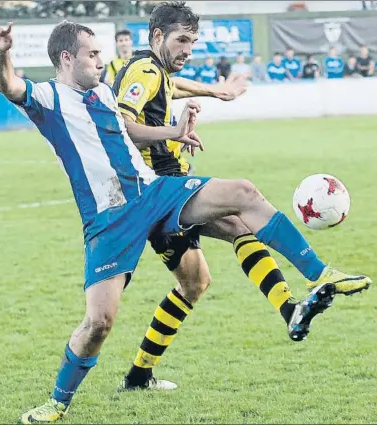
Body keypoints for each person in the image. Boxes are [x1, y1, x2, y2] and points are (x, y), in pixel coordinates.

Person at [0, 18, 371, 425]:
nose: (102, 61)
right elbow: (7, 84)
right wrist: (2, 50)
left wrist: (174, 130)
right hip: (108, 220)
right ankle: (57, 404)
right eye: (93, 54)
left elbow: (128, 127)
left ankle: (320, 272)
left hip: (153, 193)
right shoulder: (47, 97)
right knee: (98, 323)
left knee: (242, 194)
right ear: (67, 58)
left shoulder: (101, 90)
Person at [113, 0, 370, 394]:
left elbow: (172, 86)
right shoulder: (144, 69)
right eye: (182, 40)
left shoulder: (157, 71)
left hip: (163, 189)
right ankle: (320, 274)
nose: (188, 50)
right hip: (155, 193)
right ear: (157, 36)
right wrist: (173, 134)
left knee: (201, 276)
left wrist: (217, 92)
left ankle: (138, 375)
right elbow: (120, 124)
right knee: (244, 194)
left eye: (193, 43)